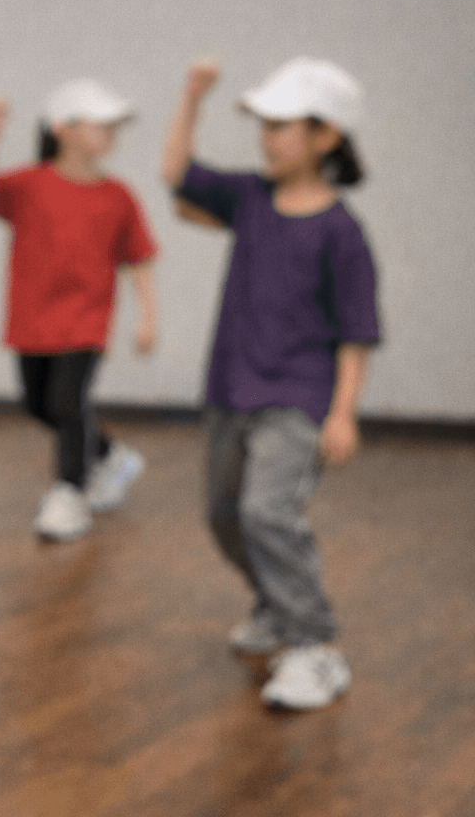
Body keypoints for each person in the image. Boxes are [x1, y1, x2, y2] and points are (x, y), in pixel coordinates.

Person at [161, 58, 378, 711]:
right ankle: (276, 605)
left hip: (299, 398)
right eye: (264, 125)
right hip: (231, 389)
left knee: (267, 512)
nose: (267, 138)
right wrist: (192, 98)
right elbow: (176, 175)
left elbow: (356, 334)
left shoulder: (342, 232)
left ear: (326, 136)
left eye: (281, 125)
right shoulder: (250, 198)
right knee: (224, 515)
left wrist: (343, 413)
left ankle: (315, 644)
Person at [0, 80, 158, 541]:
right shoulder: (28, 185)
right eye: (102, 124)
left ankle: (69, 493)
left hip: (85, 320)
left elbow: (138, 258)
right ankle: (110, 456)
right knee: (38, 405)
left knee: (67, 403)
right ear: (63, 129)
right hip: (32, 319)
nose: (111, 134)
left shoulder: (118, 196)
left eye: (115, 126)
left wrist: (147, 317)